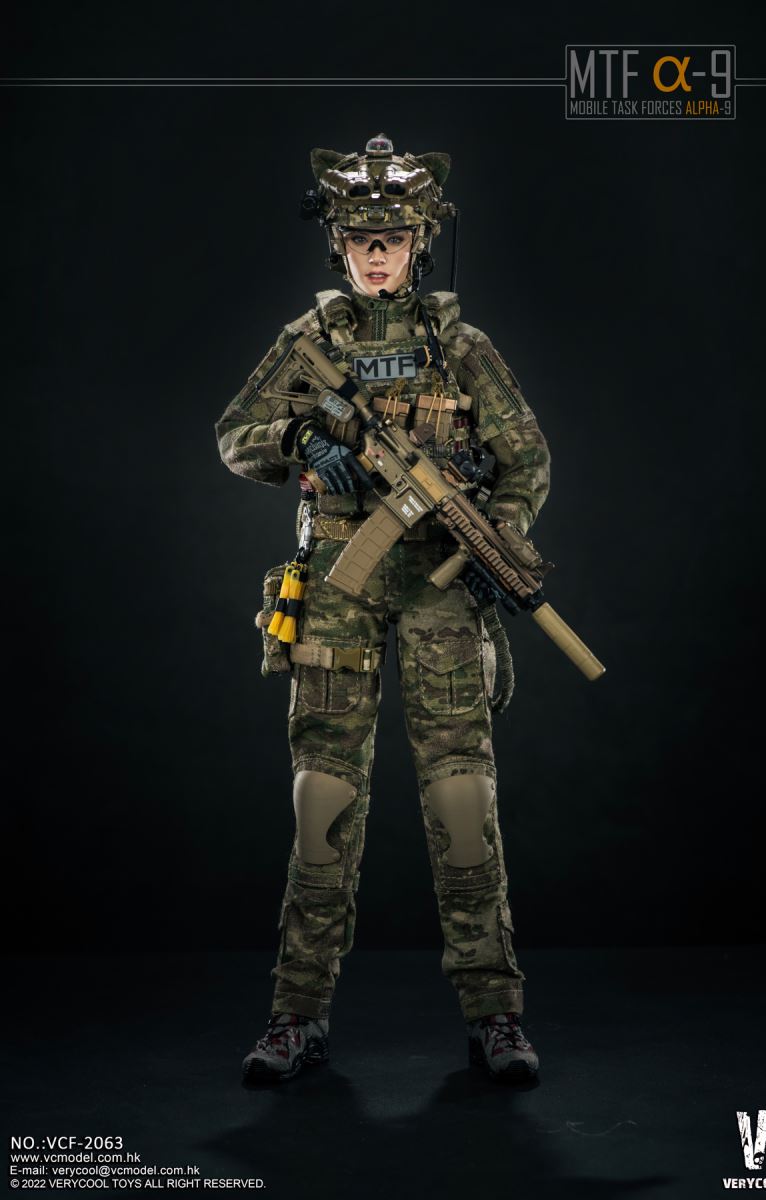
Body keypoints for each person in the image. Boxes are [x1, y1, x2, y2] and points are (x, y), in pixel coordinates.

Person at [216, 134, 550, 1084]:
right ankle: (296, 1014)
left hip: (441, 587)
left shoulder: (462, 349)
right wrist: (298, 439)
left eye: (392, 238)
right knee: (322, 799)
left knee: (461, 798)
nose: (374, 253)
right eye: (360, 237)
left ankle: (496, 1014)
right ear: (338, 242)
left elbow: (526, 461)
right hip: (338, 589)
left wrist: (494, 539)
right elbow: (236, 435)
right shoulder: (311, 343)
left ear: (419, 243)